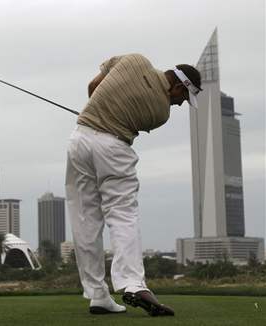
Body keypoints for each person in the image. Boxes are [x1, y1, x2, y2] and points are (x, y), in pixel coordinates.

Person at [65, 53, 201, 316]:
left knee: (85, 218)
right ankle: (132, 284)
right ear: (178, 86)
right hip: (113, 147)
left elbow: (94, 87)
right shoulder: (161, 113)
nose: (180, 104)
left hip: (79, 138)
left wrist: (97, 109)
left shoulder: (134, 60)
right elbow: (125, 118)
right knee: (122, 213)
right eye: (183, 98)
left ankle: (97, 295)